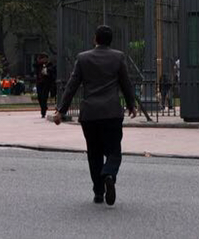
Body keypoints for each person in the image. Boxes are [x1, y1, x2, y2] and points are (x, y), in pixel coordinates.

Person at [53, 25, 138, 206]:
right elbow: (126, 83)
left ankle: (98, 192)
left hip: (90, 114)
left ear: (95, 39)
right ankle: (109, 174)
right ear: (110, 40)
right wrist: (131, 105)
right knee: (114, 151)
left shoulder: (83, 58)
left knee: (94, 153)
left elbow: (72, 86)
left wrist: (61, 110)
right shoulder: (118, 57)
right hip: (112, 112)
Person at [34, 53, 57, 118]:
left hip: (46, 83)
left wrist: (47, 71)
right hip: (39, 82)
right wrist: (39, 62)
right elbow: (35, 66)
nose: (43, 60)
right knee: (39, 97)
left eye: (43, 58)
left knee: (44, 96)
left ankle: (43, 111)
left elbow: (52, 72)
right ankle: (43, 107)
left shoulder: (50, 65)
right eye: (41, 58)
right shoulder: (38, 65)